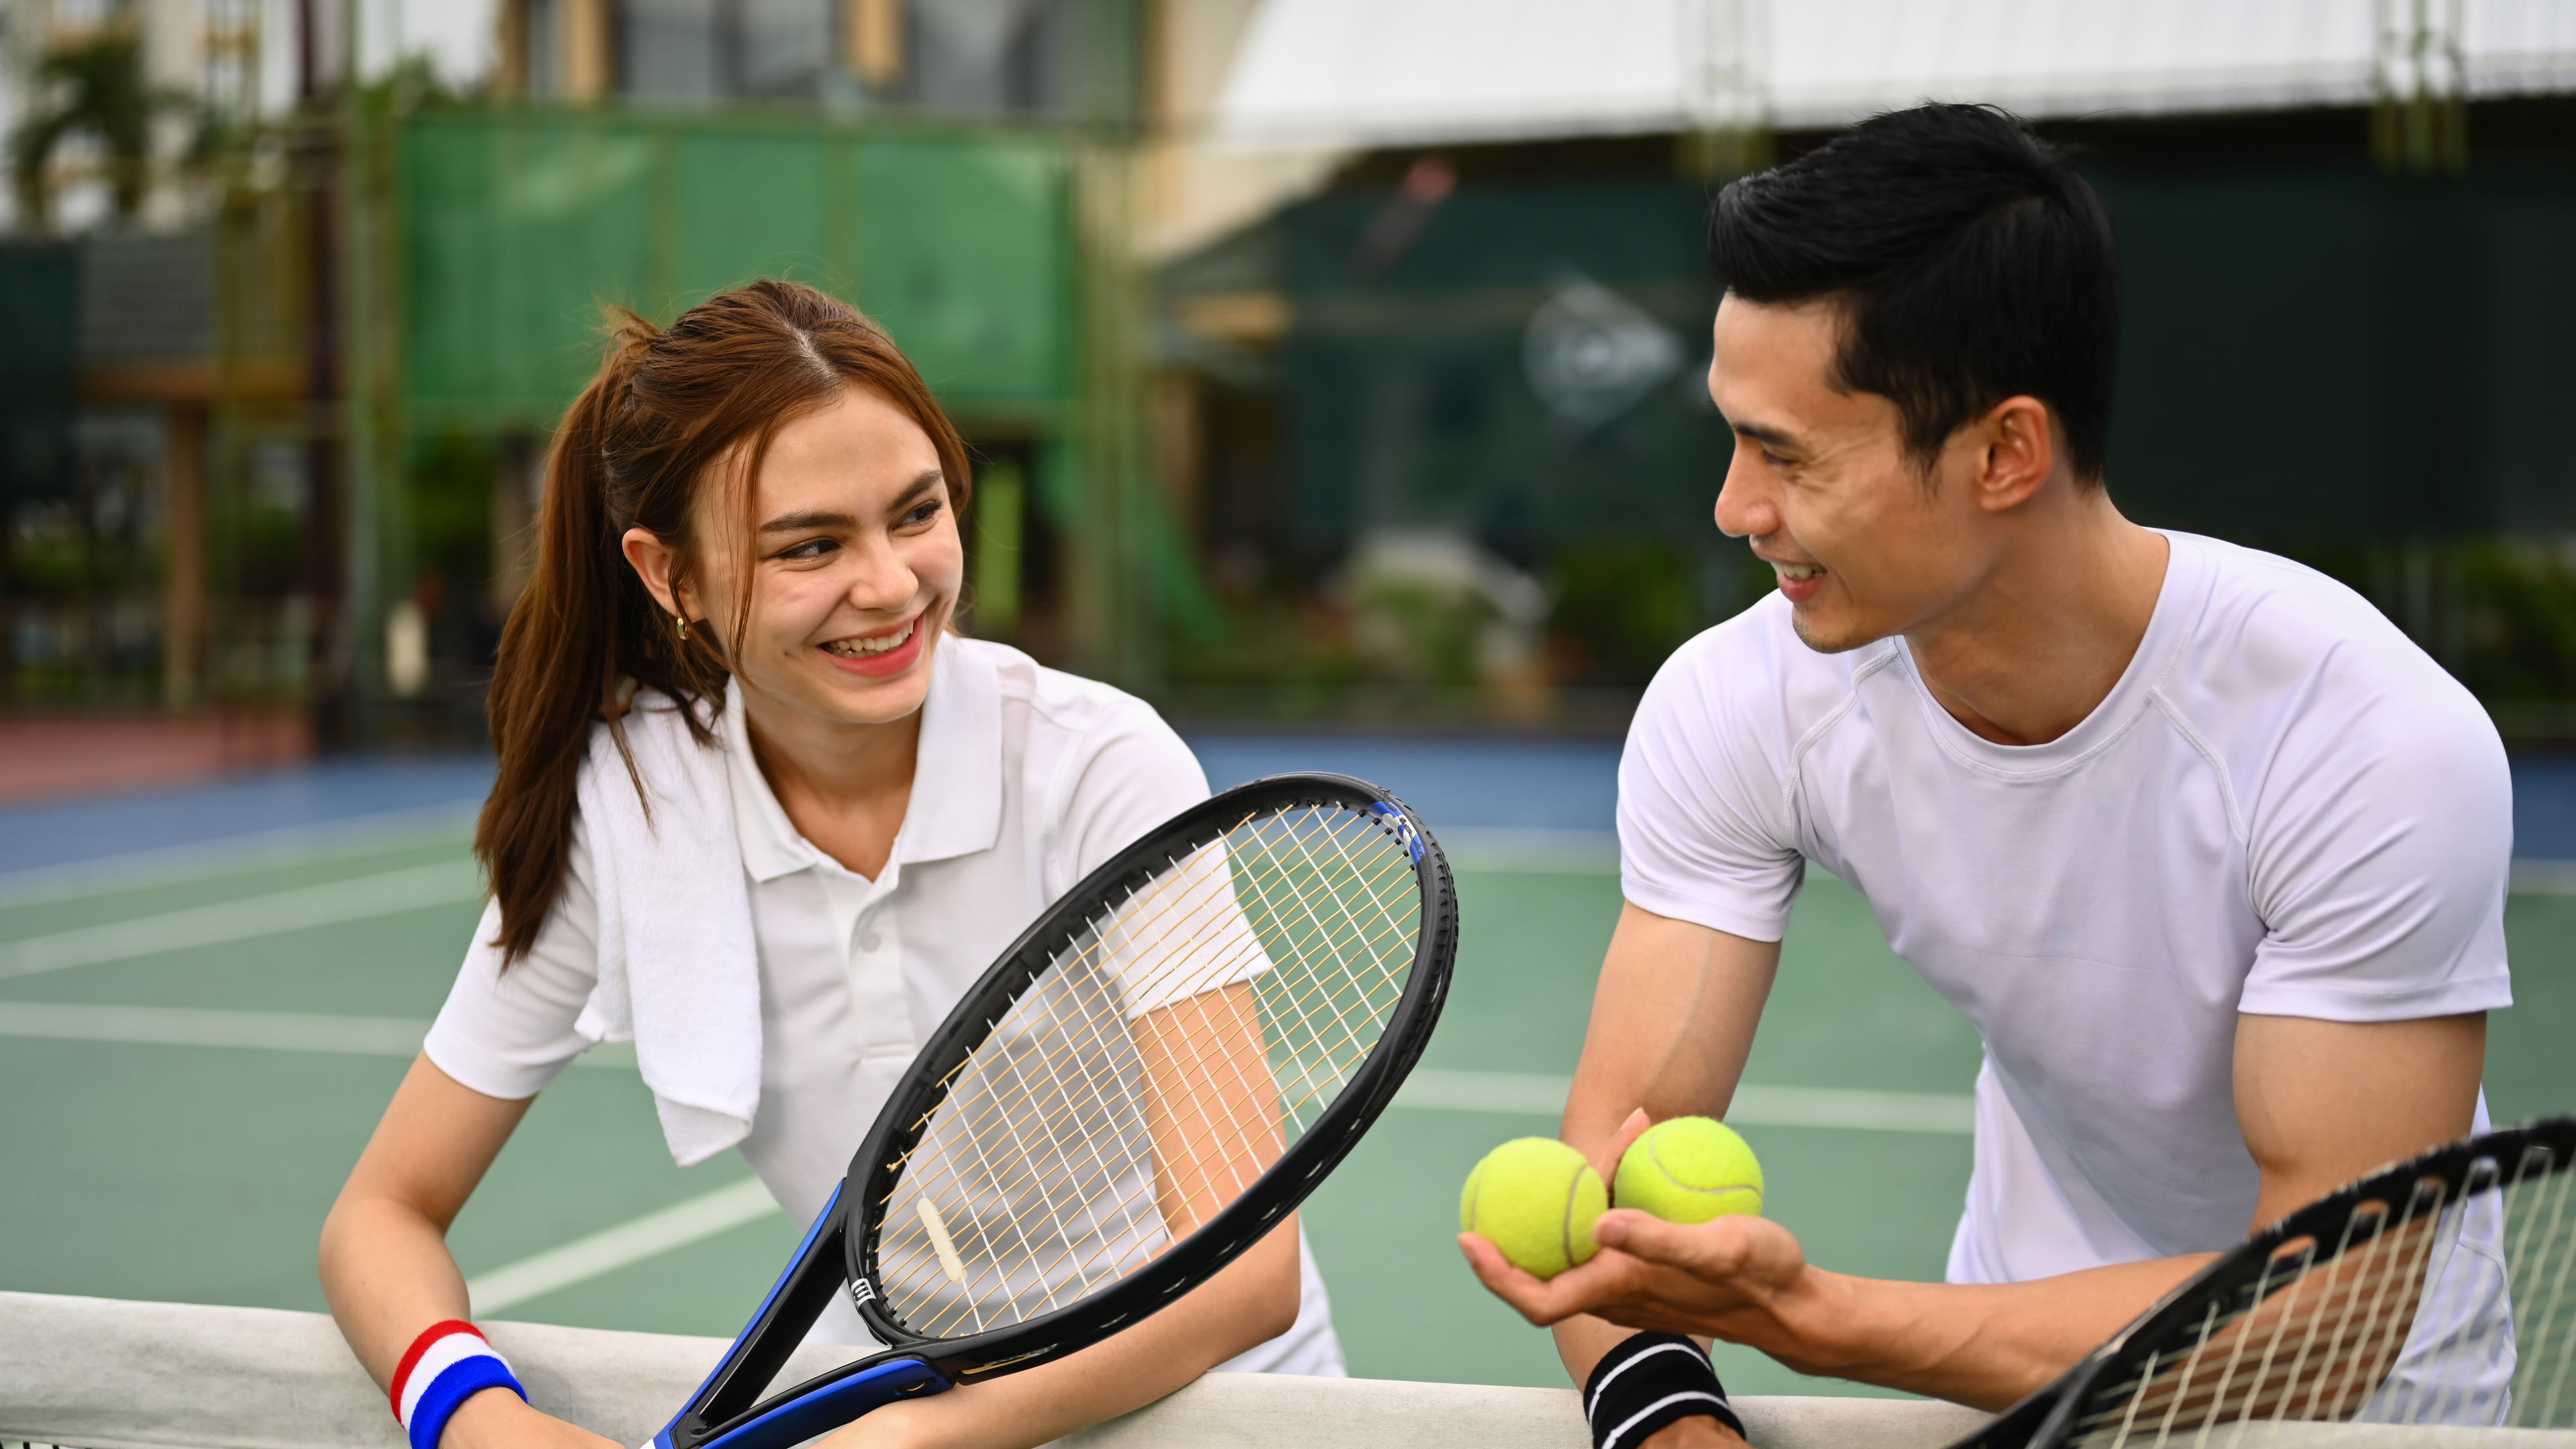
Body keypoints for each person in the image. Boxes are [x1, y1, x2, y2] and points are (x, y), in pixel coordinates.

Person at [1461, 104, 2511, 1448]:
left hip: (2353, 1418)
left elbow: (2328, 1316)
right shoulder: (1739, 702)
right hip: (2011, 1391)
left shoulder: (2365, 744)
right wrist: (1677, 1427)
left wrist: (1829, 1323)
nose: (1734, 507)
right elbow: (1612, 1175)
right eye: (1732, 439)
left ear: (2006, 452)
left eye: (1785, 453)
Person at [320, 280, 1342, 1449]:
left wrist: (912, 1438)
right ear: (671, 578)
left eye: (916, 514)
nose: (893, 585)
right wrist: (478, 1420)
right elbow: (380, 1217)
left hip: (1222, 1414)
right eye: (813, 544)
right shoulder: (631, 811)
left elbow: (1246, 1272)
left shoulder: (1101, 767)